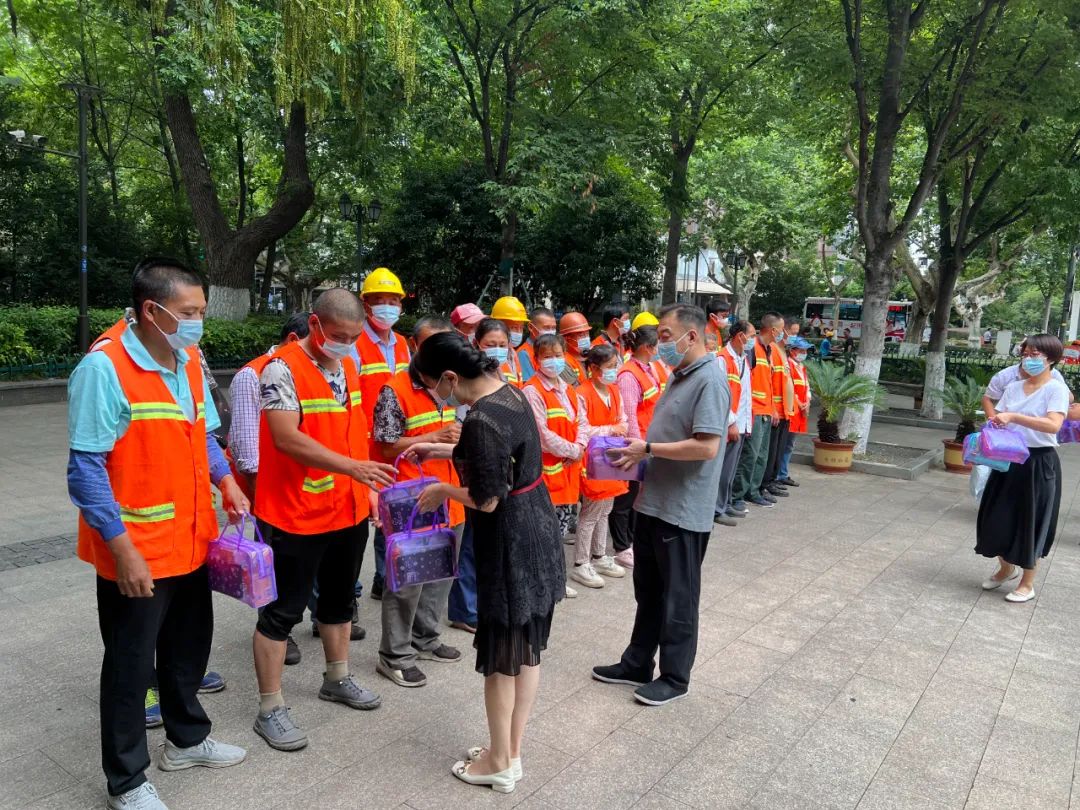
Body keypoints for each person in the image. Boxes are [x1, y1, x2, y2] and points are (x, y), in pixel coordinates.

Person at [68, 257, 249, 810]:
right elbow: (85, 469)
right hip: (138, 550)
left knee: (187, 649)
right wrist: (121, 550)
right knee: (130, 666)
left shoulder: (186, 359)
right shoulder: (104, 368)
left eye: (201, 311)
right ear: (152, 310)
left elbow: (204, 433)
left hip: (191, 538)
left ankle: (187, 740)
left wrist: (226, 481)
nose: (199, 322)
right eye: (189, 312)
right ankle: (126, 780)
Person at [404, 333, 565, 794]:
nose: (437, 394)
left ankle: (497, 764)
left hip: (509, 540)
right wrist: (438, 450)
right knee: (526, 649)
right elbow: (499, 458)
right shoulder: (511, 393)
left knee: (500, 659)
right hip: (538, 527)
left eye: (434, 385)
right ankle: (510, 752)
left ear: (450, 377)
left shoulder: (480, 419)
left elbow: (487, 498)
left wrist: (442, 490)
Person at [251, 289, 397, 752]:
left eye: (353, 337)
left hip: (346, 509)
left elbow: (354, 433)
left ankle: (337, 677)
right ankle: (270, 707)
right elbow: (285, 438)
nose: (346, 344)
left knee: (339, 601)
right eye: (338, 335)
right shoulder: (281, 368)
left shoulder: (348, 365)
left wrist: (366, 488)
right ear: (314, 325)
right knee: (282, 612)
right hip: (296, 513)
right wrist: (354, 469)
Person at [592, 303, 728, 706]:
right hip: (653, 503)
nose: (659, 343)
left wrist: (648, 448)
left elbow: (706, 447)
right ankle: (637, 662)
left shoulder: (710, 380)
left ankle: (674, 677)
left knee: (678, 598)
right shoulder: (678, 375)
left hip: (682, 511)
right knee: (649, 592)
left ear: (692, 336)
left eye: (666, 336)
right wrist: (637, 454)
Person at [370, 316, 464, 687]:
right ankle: (394, 654)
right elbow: (385, 446)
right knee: (407, 580)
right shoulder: (394, 391)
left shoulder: (451, 384)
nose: (453, 383)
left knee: (441, 571)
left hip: (449, 494)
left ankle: (426, 638)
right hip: (411, 499)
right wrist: (434, 436)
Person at [227, 311, 311, 667]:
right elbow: (248, 451)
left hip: (306, 490)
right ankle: (277, 629)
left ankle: (312, 616)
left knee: (303, 562)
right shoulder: (252, 375)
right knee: (273, 563)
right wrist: (262, 498)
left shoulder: (310, 371)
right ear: (293, 341)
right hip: (270, 492)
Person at [976, 334, 1069, 603]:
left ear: (1051, 358)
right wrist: (996, 423)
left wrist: (1015, 416)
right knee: (994, 516)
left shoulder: (1056, 389)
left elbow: (1053, 425)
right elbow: (1001, 416)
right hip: (1009, 458)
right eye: (1025, 354)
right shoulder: (1014, 387)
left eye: (1035, 355)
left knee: (1032, 521)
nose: (1028, 360)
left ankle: (1027, 584)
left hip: (1039, 461)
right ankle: (1006, 569)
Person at [354, 267, 411, 600]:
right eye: (380, 301)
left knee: (390, 514)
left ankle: (382, 578)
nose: (387, 307)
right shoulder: (354, 343)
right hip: (361, 447)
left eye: (393, 301)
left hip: (395, 445)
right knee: (358, 521)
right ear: (366, 305)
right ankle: (349, 591)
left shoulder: (402, 344)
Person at [570, 342, 629, 588]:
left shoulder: (613, 390)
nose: (614, 371)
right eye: (610, 366)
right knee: (591, 512)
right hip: (592, 458)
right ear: (594, 368)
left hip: (611, 456)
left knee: (606, 509)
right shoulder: (581, 393)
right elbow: (583, 429)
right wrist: (612, 429)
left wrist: (618, 428)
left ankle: (599, 555)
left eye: (615, 366)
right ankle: (581, 563)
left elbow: (623, 419)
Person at [523, 334, 588, 552]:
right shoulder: (532, 391)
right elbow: (542, 435)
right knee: (543, 537)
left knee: (558, 536)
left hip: (568, 475)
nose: (554, 360)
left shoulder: (568, 389)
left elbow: (582, 422)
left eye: (558, 355)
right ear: (537, 360)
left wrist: (580, 447)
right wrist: (574, 451)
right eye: (547, 356)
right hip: (545, 477)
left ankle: (556, 573)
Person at [610, 324, 661, 569]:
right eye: (658, 344)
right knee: (624, 499)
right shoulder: (629, 375)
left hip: (645, 443)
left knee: (636, 497)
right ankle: (621, 547)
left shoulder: (648, 370)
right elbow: (630, 413)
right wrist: (635, 448)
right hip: (634, 445)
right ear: (648, 348)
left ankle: (631, 540)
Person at [730, 312, 783, 510]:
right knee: (750, 455)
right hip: (754, 410)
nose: (783, 334)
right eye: (782, 330)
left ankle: (753, 491)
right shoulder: (753, 350)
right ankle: (737, 495)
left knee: (761, 455)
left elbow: (768, 382)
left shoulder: (769, 350)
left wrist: (773, 408)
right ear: (774, 330)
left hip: (765, 410)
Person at [714, 320, 755, 526]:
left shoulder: (742, 358)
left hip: (740, 423)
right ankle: (717, 508)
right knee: (723, 469)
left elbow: (745, 393)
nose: (753, 340)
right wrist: (731, 423)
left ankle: (726, 502)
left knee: (731, 468)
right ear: (740, 336)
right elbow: (720, 395)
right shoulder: (722, 359)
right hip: (729, 424)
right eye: (752, 336)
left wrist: (746, 423)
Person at [760, 313, 794, 499]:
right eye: (790, 332)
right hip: (774, 410)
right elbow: (770, 383)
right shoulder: (772, 350)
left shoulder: (782, 352)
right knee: (770, 451)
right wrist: (773, 407)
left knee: (778, 450)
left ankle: (772, 480)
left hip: (784, 411)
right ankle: (765, 483)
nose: (792, 336)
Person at [777, 336, 812, 487]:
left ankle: (782, 474)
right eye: (802, 350)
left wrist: (807, 402)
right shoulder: (789, 366)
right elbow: (788, 387)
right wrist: (799, 403)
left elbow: (807, 387)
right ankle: (779, 475)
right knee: (784, 444)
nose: (804, 353)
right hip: (791, 411)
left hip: (799, 412)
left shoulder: (801, 367)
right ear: (792, 351)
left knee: (789, 444)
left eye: (805, 351)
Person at [489, 297, 529, 385]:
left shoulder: (513, 353)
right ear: (497, 325)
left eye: (521, 328)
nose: (518, 332)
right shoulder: (493, 354)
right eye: (514, 327)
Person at [517, 306, 558, 383]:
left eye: (553, 328)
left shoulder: (553, 351)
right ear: (531, 327)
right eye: (546, 328)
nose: (551, 332)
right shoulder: (523, 354)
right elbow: (529, 385)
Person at [558, 311, 593, 386]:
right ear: (566, 338)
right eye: (581, 335)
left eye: (587, 333)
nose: (586, 338)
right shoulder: (563, 363)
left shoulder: (590, 357)